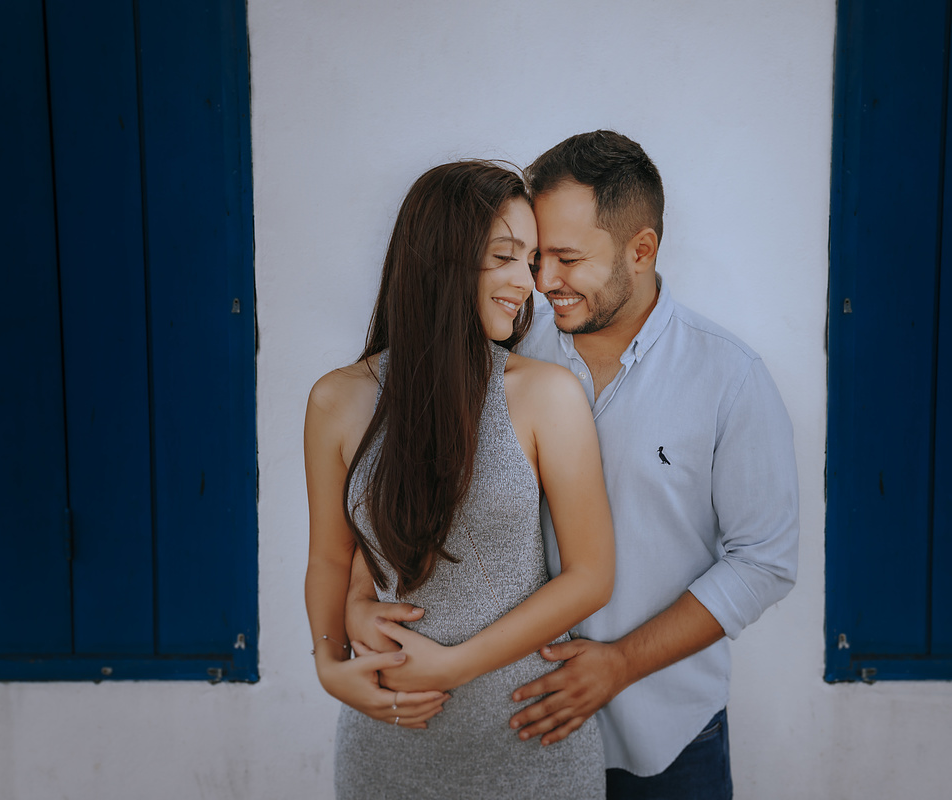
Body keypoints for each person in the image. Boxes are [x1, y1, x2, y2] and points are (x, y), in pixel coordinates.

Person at [349, 132, 800, 799]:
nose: (541, 281)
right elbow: (406, 491)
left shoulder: (729, 378)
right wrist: (361, 602)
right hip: (510, 734)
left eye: (565, 258)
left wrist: (621, 663)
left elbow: (763, 559)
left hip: (666, 739)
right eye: (535, 257)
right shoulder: (498, 352)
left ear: (640, 250)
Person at [303, 161, 614, 799]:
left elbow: (591, 577)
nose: (525, 283)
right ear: (440, 259)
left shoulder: (545, 395)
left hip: (533, 742)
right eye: (505, 257)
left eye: (529, 262)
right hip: (387, 749)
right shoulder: (338, 400)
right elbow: (331, 559)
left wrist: (450, 665)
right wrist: (330, 667)